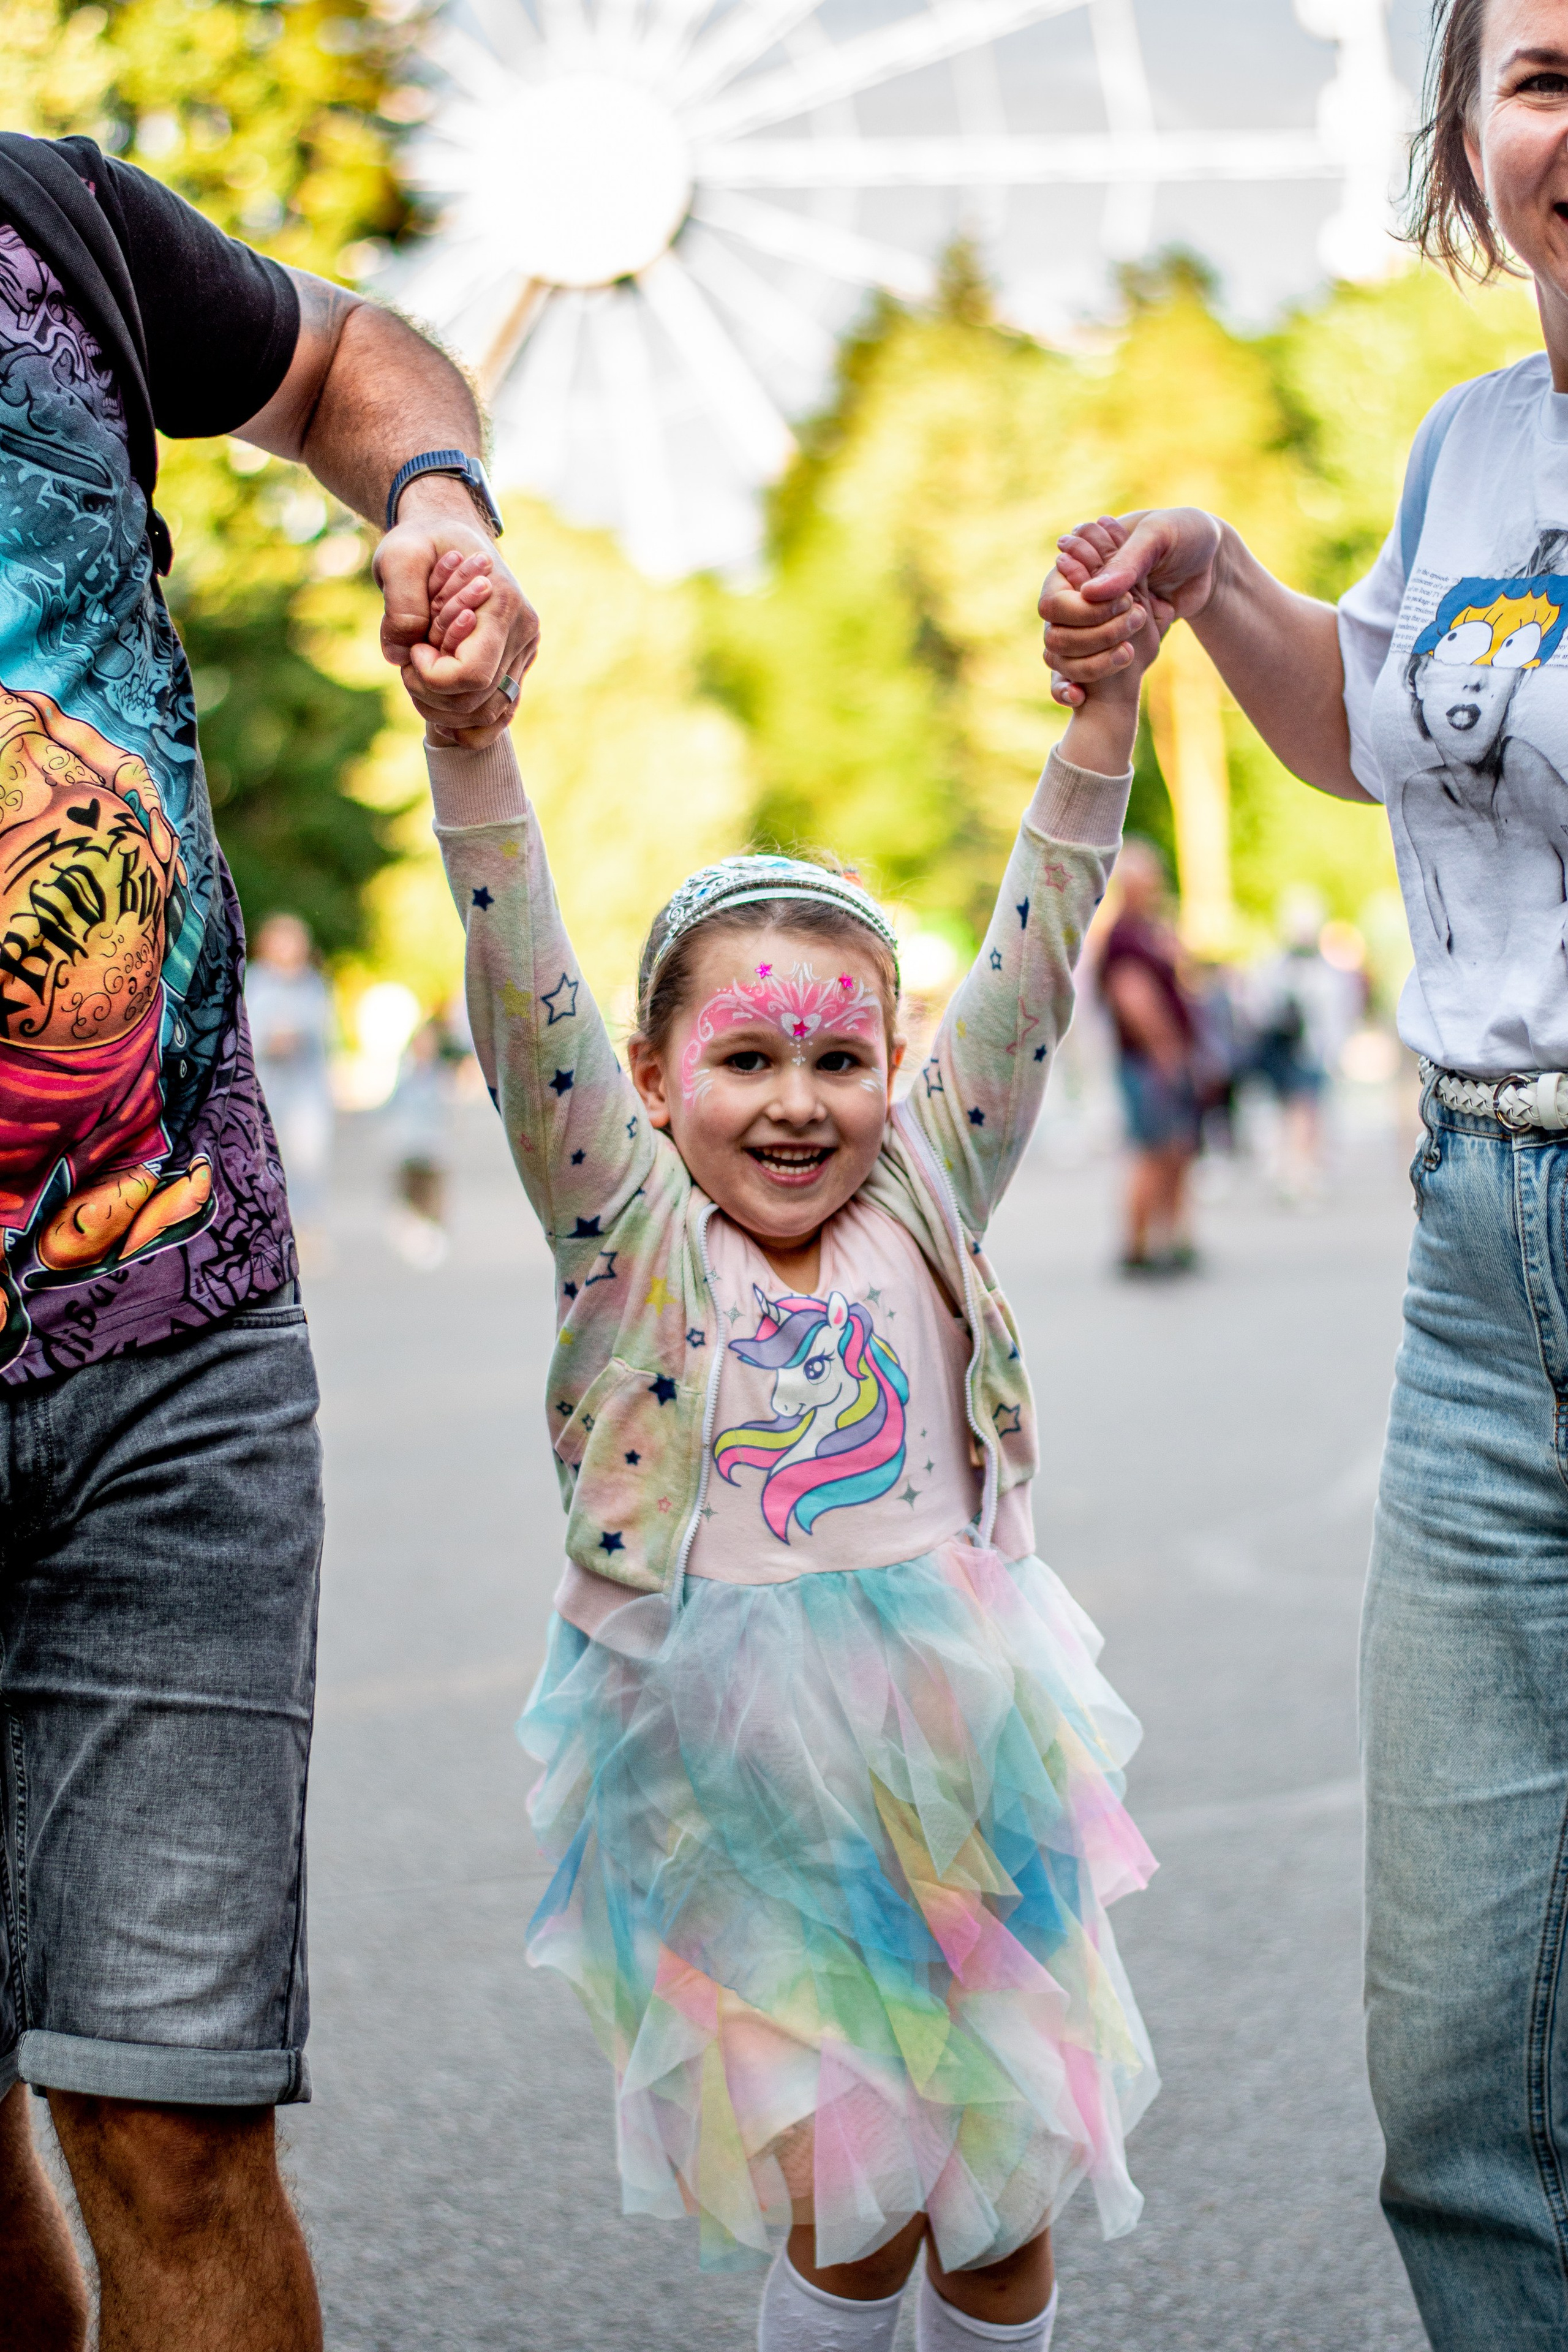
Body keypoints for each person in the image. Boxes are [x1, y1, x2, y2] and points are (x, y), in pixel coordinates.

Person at [424, 546, 1162, 2352]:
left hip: (968, 1761)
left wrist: (1099, 712)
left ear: (896, 1071)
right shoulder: (633, 1230)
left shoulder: (924, 1185)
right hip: (744, 1792)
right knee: (850, 2205)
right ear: (656, 1082)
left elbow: (1040, 947)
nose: (793, 1100)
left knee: (1001, 2205)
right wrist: (468, 747)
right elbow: (524, 976)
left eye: (838, 1059)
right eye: (742, 1055)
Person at [1038, 2, 1568, 2339]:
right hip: (1479, 1270)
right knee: (1454, 2055)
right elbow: (1373, 729)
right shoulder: (1472, 453)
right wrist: (1209, 582)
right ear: (1466, 135)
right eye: (1541, 72)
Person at [0, 130, 536, 2352]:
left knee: (174, 2126)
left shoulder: (50, 220)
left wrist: (431, 502)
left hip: (171, 1337)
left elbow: (350, 360)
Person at [1096, 839, 1201, 1274]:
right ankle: (1138, 1247)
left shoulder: (1147, 932)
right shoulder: (1125, 937)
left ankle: (1168, 1239)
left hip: (1157, 1058)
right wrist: (1165, 1050)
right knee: (1153, 1149)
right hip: (1148, 1061)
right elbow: (1132, 997)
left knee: (1173, 1149)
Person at [244, 913, 336, 1265]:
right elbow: (249, 1032)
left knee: (307, 1162)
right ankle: (268, 1234)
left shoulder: (313, 985)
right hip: (266, 1093)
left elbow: (321, 1030)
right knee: (265, 1160)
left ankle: (308, 1231)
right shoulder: (256, 983)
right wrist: (271, 1039)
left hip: (306, 1093)